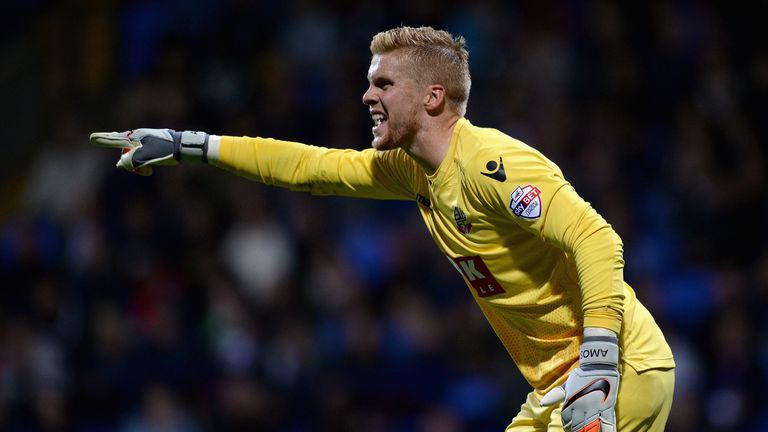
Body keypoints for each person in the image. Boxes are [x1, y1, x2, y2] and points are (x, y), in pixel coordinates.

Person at [91, 26, 675, 432]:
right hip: (555, 387)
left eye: (383, 84)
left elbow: (598, 239)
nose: (368, 95)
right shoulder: (410, 170)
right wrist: (196, 146)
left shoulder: (494, 165)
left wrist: (599, 364)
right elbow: (309, 168)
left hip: (616, 370)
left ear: (433, 96)